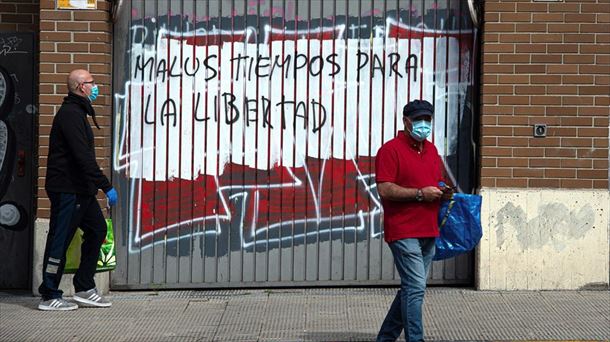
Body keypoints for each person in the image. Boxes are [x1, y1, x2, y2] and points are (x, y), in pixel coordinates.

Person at [38, 69, 118, 311]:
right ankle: (49, 293)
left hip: (81, 190)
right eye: (91, 83)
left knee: (97, 229)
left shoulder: (79, 112)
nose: (95, 87)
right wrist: (105, 185)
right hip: (67, 190)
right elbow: (82, 156)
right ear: (80, 87)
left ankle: (83, 286)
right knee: (59, 240)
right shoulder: (70, 115)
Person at [375, 99, 453, 341]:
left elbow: (434, 180)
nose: (423, 124)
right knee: (416, 287)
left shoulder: (431, 151)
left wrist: (442, 189)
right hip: (402, 229)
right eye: (418, 119)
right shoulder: (390, 150)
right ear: (405, 121)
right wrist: (420, 193)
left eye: (427, 120)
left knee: (411, 287)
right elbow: (385, 189)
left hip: (428, 230)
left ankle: (386, 337)